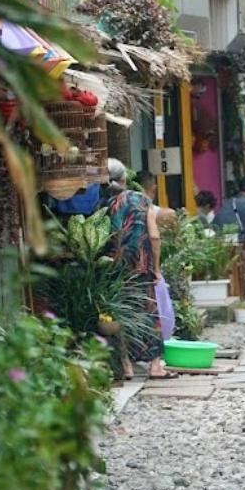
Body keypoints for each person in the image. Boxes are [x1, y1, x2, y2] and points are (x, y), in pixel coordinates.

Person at [105, 159, 175, 380]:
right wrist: (156, 268)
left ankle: (126, 367)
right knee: (149, 312)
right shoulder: (142, 200)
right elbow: (154, 235)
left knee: (122, 313)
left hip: (117, 268)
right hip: (141, 265)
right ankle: (155, 366)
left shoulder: (107, 205)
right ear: (125, 179)